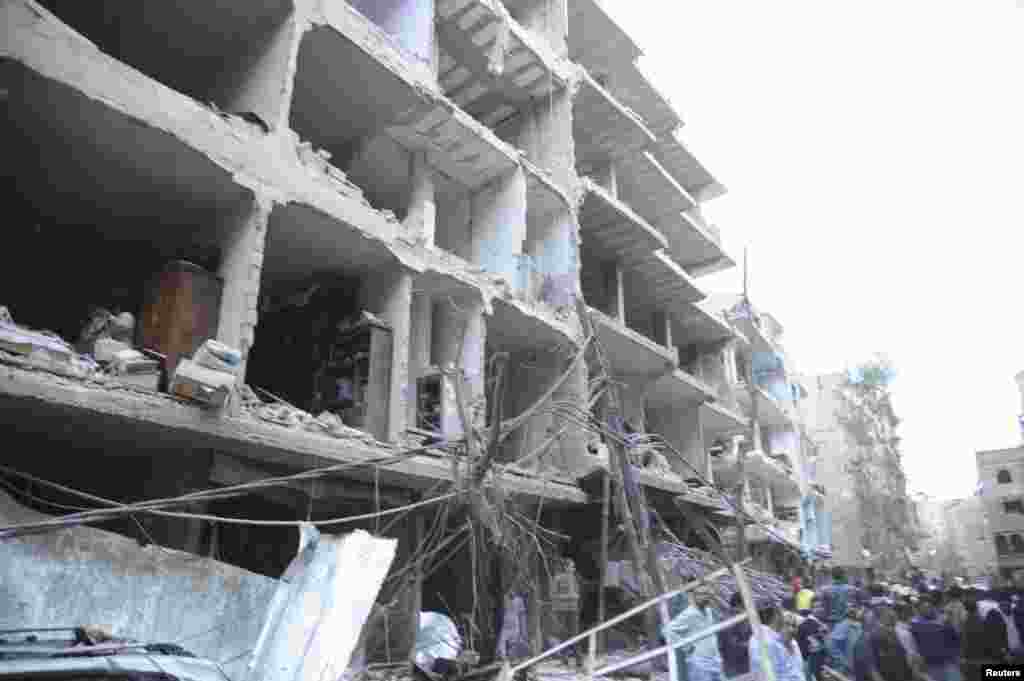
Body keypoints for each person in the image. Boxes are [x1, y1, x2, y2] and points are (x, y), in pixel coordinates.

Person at [664, 586, 724, 681]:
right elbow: (667, 630)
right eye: (702, 594)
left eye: (707, 594)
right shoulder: (689, 614)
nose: (705, 597)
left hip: (714, 659)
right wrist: (686, 646)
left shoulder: (709, 611)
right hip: (699, 661)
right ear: (695, 596)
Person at [909, 590, 961, 681]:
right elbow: (914, 646)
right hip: (929, 665)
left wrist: (956, 657)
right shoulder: (915, 625)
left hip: (947, 663)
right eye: (923, 607)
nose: (927, 609)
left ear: (933, 606)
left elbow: (955, 639)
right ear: (918, 609)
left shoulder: (944, 620)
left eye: (929, 606)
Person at [748, 602, 806, 681]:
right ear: (777, 615)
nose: (791, 629)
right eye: (787, 624)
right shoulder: (768, 641)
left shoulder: (769, 639)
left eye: (794, 625)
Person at [719, 592, 752, 679]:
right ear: (739, 604)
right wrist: (752, 644)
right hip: (735, 666)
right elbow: (732, 645)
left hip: (744, 664)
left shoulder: (744, 617)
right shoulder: (728, 619)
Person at [795, 595, 828, 680]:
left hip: (820, 665)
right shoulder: (806, 625)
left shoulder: (821, 623)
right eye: (817, 607)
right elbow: (808, 649)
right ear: (811, 609)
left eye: (821, 606)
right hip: (812, 667)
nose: (820, 609)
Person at [826, 605, 863, 676]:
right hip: (846, 669)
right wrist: (843, 661)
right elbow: (830, 645)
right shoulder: (843, 625)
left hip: (856, 667)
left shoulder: (858, 626)